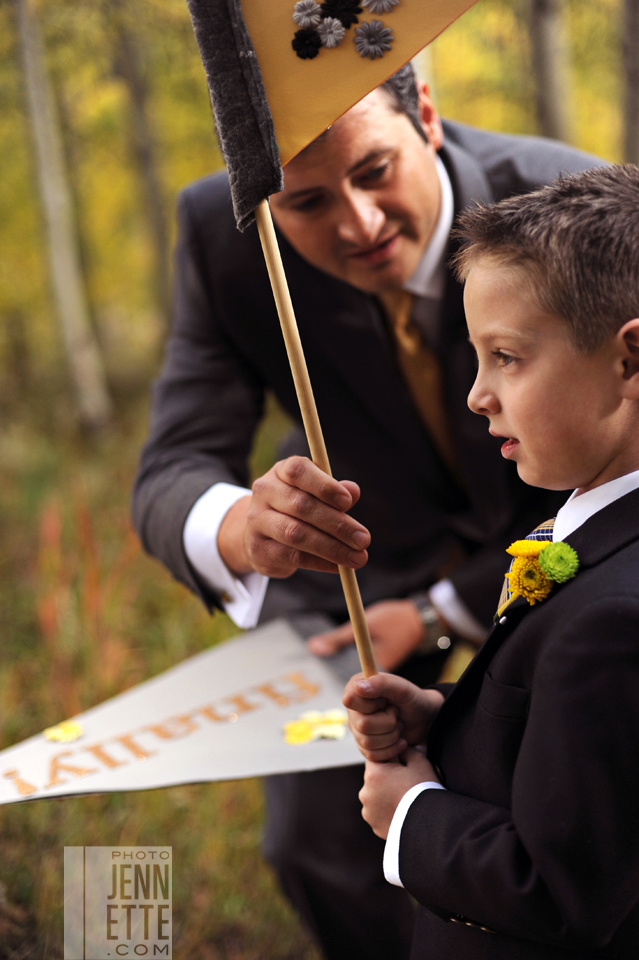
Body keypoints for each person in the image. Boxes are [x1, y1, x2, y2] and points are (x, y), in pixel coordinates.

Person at [132, 64, 605, 960]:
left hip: (573, 559)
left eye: (373, 172)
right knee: (315, 841)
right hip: (346, 563)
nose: (357, 225)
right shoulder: (222, 231)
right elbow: (173, 464)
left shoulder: (569, 206)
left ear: (423, 113)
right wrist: (242, 525)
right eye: (304, 204)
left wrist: (439, 612)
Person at [344, 163, 639, 959]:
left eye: (506, 356)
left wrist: (413, 813)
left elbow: (560, 892)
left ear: (629, 360)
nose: (477, 394)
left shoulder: (613, 617)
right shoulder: (596, 536)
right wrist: (449, 718)